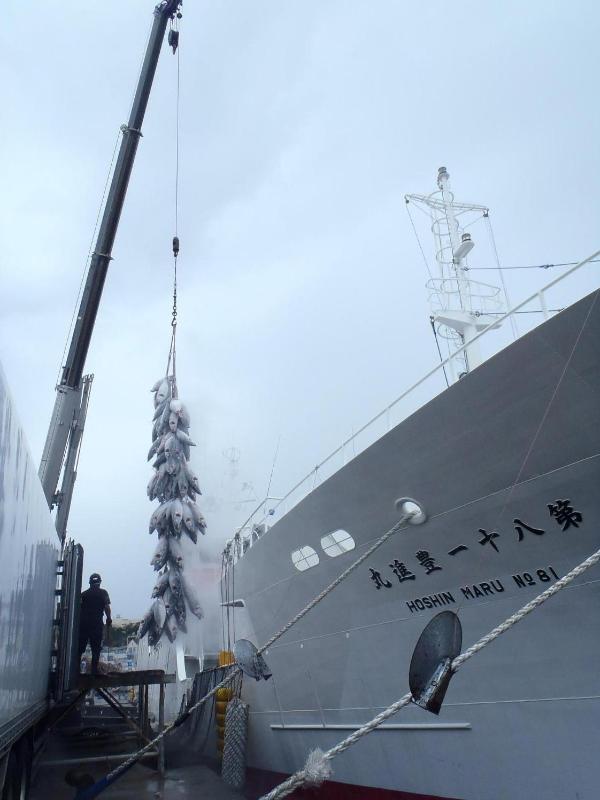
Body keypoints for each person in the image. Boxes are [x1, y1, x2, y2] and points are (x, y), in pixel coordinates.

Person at [78, 573, 112, 675]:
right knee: (96, 649)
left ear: (90, 582)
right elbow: (106, 607)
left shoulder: (83, 595)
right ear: (99, 582)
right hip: (96, 625)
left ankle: (75, 671)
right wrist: (109, 618)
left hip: (83, 625)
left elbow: (78, 609)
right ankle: (94, 671)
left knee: (79, 649)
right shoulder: (103, 593)